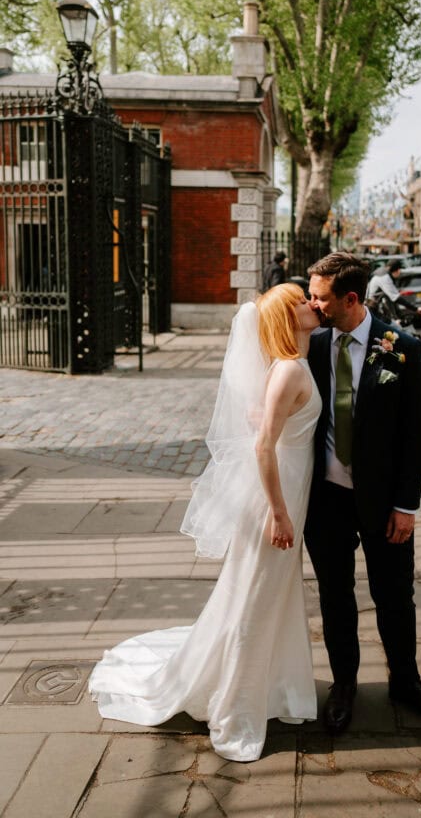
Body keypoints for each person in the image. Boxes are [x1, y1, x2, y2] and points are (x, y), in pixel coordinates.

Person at [89, 284, 321, 762]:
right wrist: (277, 512)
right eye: (301, 300)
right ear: (285, 319)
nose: (311, 304)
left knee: (267, 593)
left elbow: (268, 422)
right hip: (275, 500)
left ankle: (272, 685)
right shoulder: (290, 371)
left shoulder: (294, 362)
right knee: (254, 597)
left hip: (290, 490)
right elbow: (262, 447)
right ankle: (236, 708)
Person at [305, 251, 421, 736]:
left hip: (384, 502)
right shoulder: (308, 345)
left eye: (320, 297)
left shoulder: (404, 349)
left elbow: (416, 435)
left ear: (350, 299)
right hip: (326, 498)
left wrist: (406, 506)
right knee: (335, 596)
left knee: (395, 594)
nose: (311, 305)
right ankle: (345, 686)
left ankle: (406, 682)